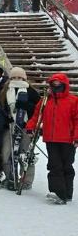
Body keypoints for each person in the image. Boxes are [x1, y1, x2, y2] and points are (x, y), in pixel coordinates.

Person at [26, 73, 78, 205]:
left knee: (67, 166)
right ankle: (58, 192)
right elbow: (37, 115)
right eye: (53, 84)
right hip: (51, 139)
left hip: (68, 139)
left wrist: (76, 137)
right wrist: (30, 127)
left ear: (64, 85)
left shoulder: (73, 101)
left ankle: (67, 193)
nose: (56, 86)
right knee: (54, 165)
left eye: (58, 84)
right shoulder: (45, 100)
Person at [0, 67, 40, 191]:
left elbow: (38, 110)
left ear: (24, 78)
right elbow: (0, 108)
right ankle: (10, 177)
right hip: (10, 126)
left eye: (20, 77)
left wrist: (27, 106)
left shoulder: (31, 91)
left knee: (25, 154)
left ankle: (26, 180)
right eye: (14, 77)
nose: (17, 80)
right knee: (6, 153)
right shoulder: (5, 91)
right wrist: (6, 118)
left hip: (27, 127)